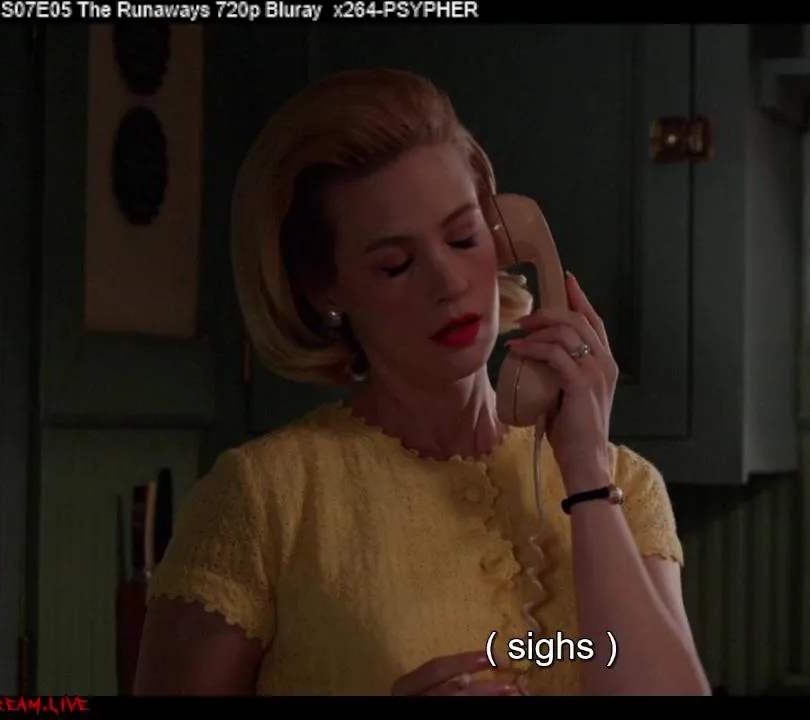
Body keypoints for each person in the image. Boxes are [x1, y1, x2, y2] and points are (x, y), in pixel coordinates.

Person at [133, 69, 710, 697]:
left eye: (463, 237)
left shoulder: (625, 486)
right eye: (396, 264)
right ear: (325, 289)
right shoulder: (265, 498)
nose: (449, 282)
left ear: (501, 234)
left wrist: (588, 475)